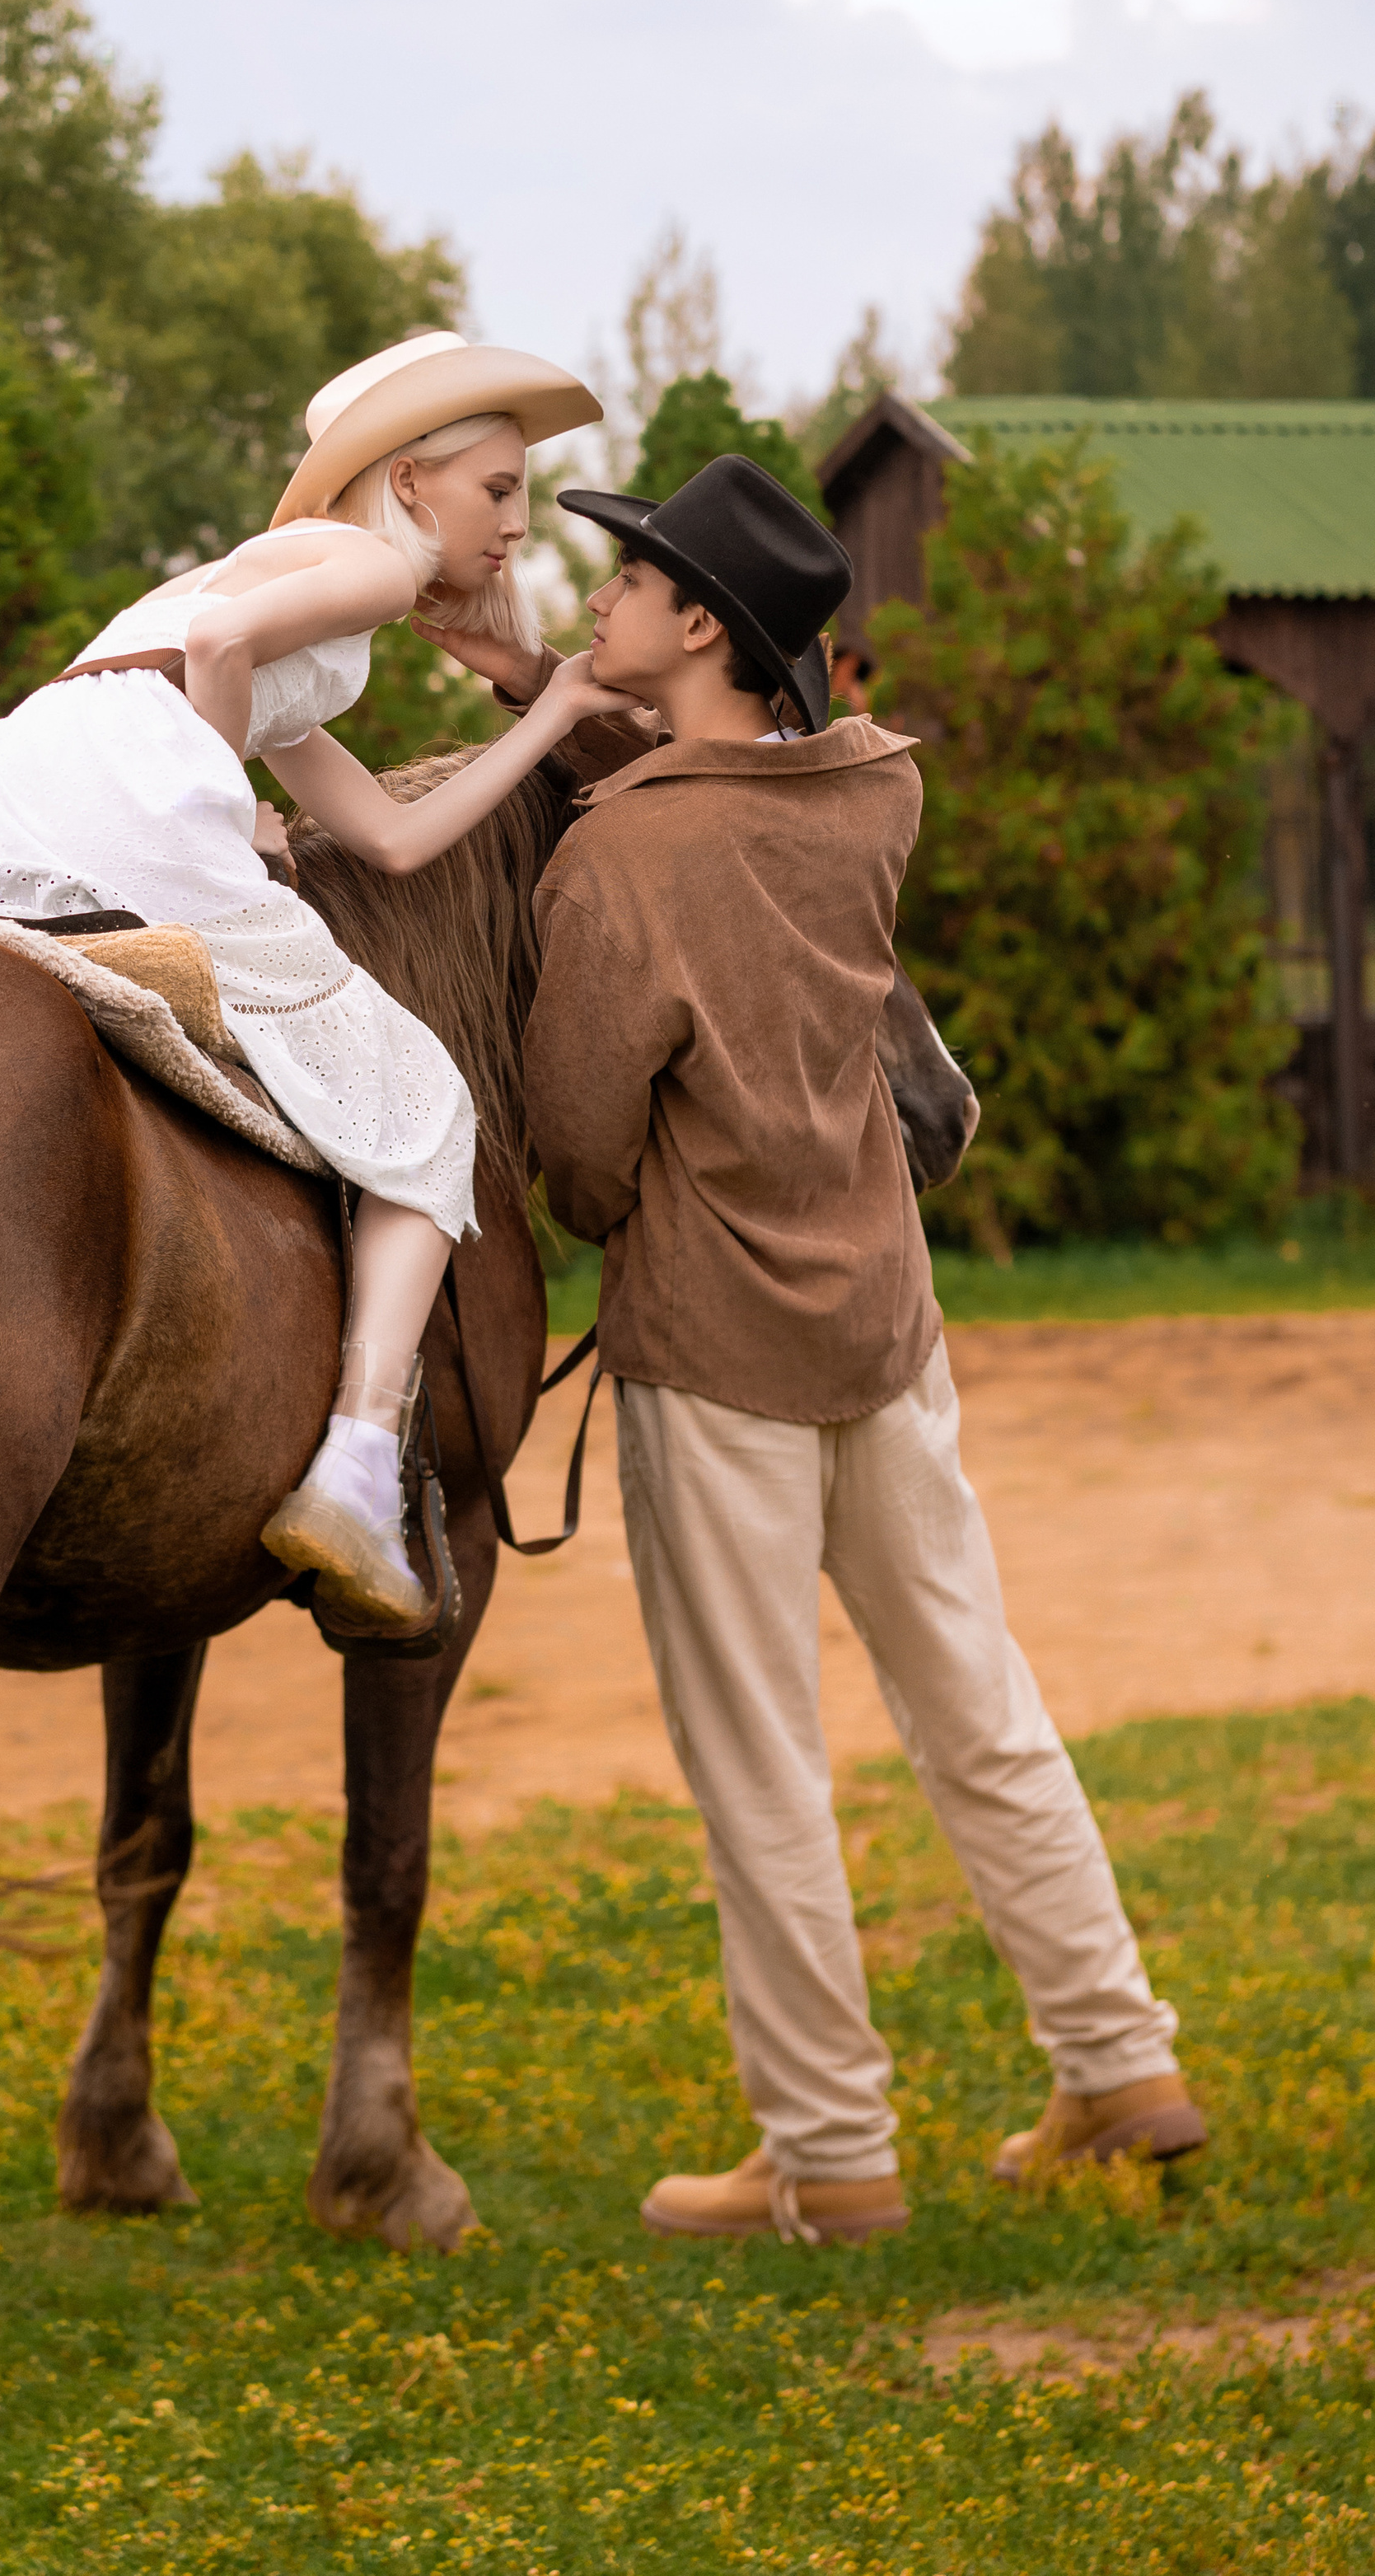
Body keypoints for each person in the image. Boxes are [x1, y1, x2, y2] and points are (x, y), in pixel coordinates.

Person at [498, 455, 1206, 2241]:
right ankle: (1118, 2063)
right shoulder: (867, 793)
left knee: (759, 1758)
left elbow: (577, 1158)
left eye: (633, 577)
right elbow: (737, 793)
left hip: (716, 1345)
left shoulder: (616, 863)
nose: (602, 593)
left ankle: (825, 2156)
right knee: (974, 1697)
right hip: (882, 1321)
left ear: (697, 628)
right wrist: (542, 698)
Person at [0, 333, 609, 1646]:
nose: (515, 523)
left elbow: (390, 839)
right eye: (496, 489)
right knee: (428, 1108)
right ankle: (358, 1464)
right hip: (132, 784)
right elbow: (217, 642)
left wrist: (545, 718)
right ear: (411, 483)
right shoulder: (370, 564)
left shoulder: (303, 585)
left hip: (28, 772)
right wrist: (219, 792)